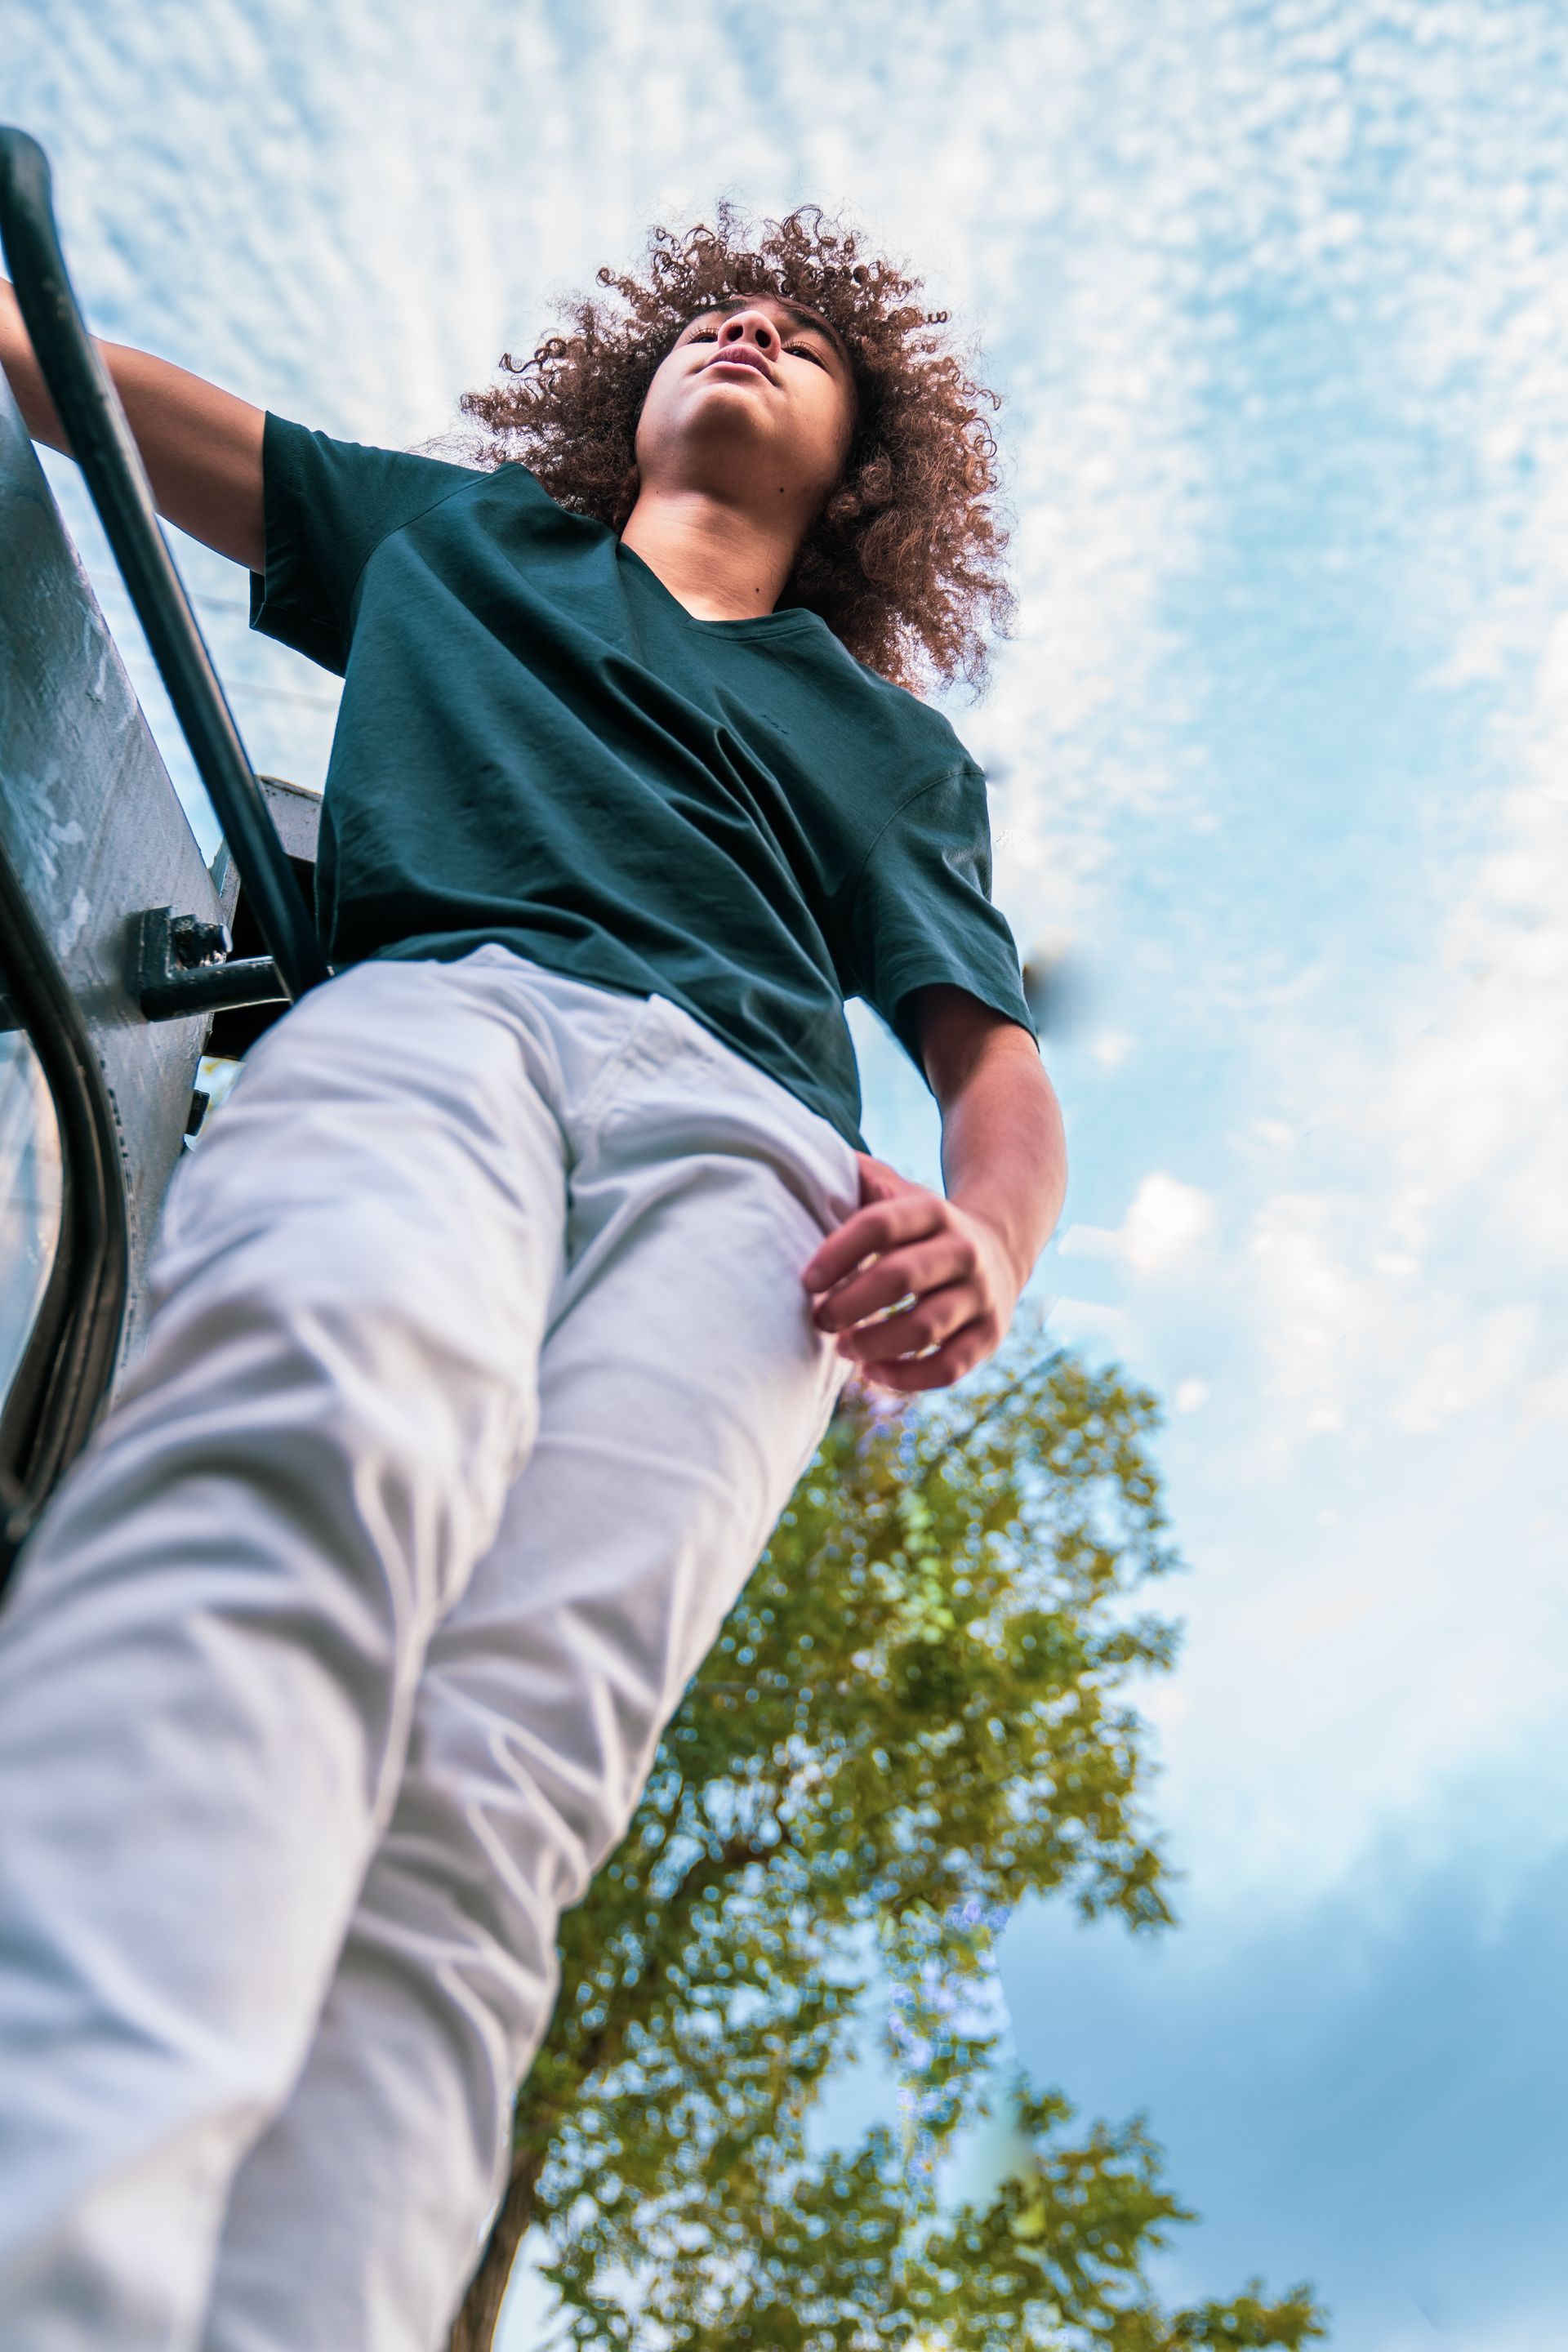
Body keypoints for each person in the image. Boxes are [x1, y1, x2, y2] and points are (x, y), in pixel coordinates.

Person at [0, 207, 1067, 2350]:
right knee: (302, 1432)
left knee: (501, 1788)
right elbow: (81, 387)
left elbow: (993, 1061)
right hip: (440, 1016)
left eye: (795, 334)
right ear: (631, 398)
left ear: (862, 461)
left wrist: (992, 1243)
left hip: (752, 1169)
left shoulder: (880, 745)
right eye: (705, 314)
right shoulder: (455, 541)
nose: (742, 324)